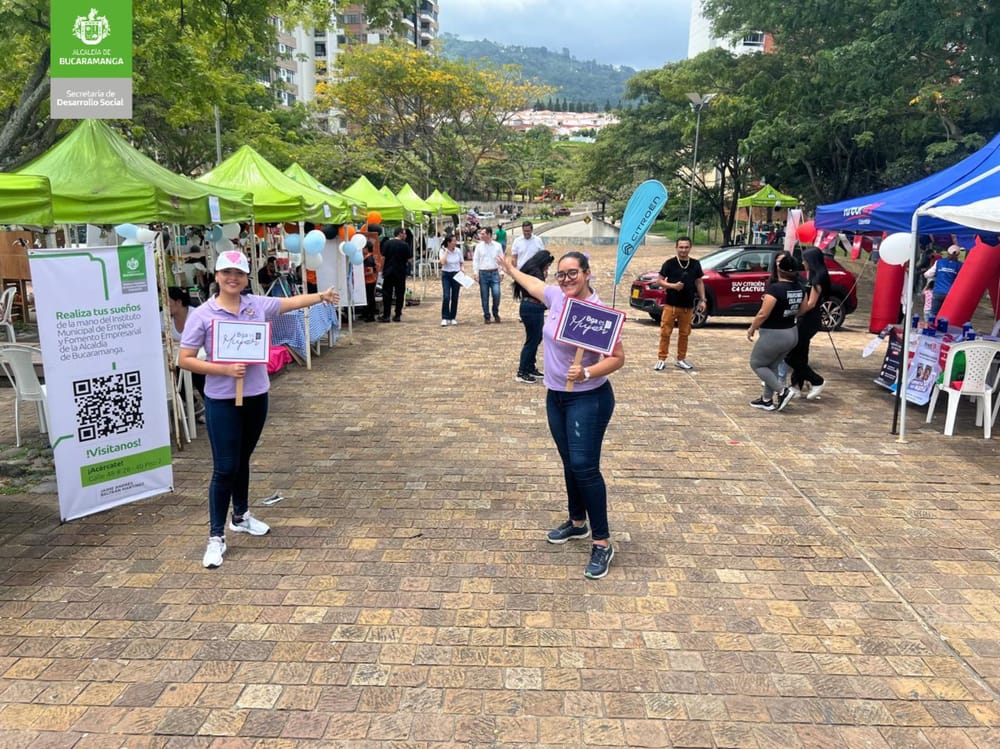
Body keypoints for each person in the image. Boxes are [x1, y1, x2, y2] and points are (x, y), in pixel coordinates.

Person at [178, 251, 340, 569]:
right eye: (226, 272)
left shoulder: (256, 306)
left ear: (246, 277)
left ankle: (241, 515)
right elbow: (184, 358)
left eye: (238, 273)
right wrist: (222, 370)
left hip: (256, 395)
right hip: (221, 399)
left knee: (242, 459)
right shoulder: (203, 314)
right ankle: (215, 537)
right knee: (224, 467)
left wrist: (322, 296)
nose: (232, 278)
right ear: (216, 276)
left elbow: (290, 304)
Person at [497, 250, 625, 579]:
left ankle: (602, 542)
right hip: (556, 396)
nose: (566, 279)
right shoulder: (556, 297)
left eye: (573, 273)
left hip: (589, 398)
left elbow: (617, 359)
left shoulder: (597, 313)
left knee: (585, 467)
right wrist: (512, 269)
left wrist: (586, 372)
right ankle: (577, 522)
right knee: (570, 462)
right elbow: (534, 284)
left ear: (587, 274)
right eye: (562, 274)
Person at [746, 253, 804, 412]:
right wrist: (788, 313)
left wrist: (752, 328)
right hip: (791, 332)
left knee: (757, 364)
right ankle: (766, 400)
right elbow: (803, 308)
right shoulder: (799, 286)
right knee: (771, 365)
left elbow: (763, 314)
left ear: (779, 268)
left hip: (774, 333)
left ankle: (783, 391)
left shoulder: (776, 288)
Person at [654, 236, 706, 371]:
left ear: (690, 248)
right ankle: (661, 358)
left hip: (688, 306)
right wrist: (672, 286)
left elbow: (699, 282)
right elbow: (659, 281)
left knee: (685, 333)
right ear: (676, 248)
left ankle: (681, 359)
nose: (683, 250)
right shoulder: (669, 263)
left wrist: (703, 299)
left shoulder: (695, 264)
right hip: (671, 304)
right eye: (681, 247)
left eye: (686, 247)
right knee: (665, 332)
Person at [785, 247, 829, 399]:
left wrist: (794, 314)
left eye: (805, 260)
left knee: (790, 356)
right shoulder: (812, 276)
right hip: (806, 318)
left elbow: (811, 303)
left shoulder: (819, 278)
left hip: (810, 319)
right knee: (801, 353)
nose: (803, 263)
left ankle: (817, 380)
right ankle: (796, 385)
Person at [511, 250, 554, 383]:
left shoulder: (531, 268)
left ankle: (530, 366)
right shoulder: (535, 272)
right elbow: (540, 291)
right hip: (532, 308)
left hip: (531, 307)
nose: (548, 268)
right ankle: (522, 371)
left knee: (536, 338)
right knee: (532, 340)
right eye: (547, 265)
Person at [167, 286, 205, 402]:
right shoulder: (164, 317)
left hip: (200, 357)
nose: (165, 305)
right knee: (175, 379)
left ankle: (206, 405)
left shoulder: (196, 315)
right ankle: (195, 408)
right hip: (179, 359)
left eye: (168, 302)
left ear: (178, 302)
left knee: (199, 377)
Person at [379, 226, 412, 322]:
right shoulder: (405, 245)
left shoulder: (387, 243)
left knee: (387, 294)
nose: (405, 235)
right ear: (400, 233)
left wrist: (382, 269)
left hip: (389, 271)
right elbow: (410, 259)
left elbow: (383, 258)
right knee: (399, 294)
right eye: (404, 233)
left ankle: (386, 315)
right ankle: (397, 314)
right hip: (400, 272)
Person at [923, 244, 963, 321]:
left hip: (938, 292)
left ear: (947, 252)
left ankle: (930, 329)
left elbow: (926, 274)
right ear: (958, 254)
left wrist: (937, 275)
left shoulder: (939, 262)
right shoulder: (960, 265)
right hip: (951, 294)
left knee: (933, 314)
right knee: (946, 316)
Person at [473, 227, 503, 323]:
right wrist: (475, 272)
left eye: (483, 234)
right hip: (483, 273)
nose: (481, 235)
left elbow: (501, 259)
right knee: (484, 296)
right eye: (481, 234)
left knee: (496, 294)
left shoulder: (497, 246)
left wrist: (501, 272)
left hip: (494, 272)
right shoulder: (479, 246)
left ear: (489, 234)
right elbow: (476, 260)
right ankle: (487, 315)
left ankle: (495, 311)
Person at [439, 233, 464, 326]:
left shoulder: (458, 251)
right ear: (448, 242)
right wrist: (446, 251)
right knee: (446, 296)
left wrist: (462, 269)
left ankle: (453, 317)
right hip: (446, 274)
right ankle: (445, 317)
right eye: (453, 241)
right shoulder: (442, 250)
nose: (455, 243)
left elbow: (461, 262)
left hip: (456, 274)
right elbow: (442, 262)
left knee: (455, 297)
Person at [362, 240, 378, 322]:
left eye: (363, 248)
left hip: (369, 281)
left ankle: (371, 315)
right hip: (368, 281)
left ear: (367, 249)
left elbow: (370, 271)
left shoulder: (369, 259)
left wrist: (362, 275)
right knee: (368, 297)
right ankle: (366, 313)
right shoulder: (368, 257)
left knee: (370, 298)